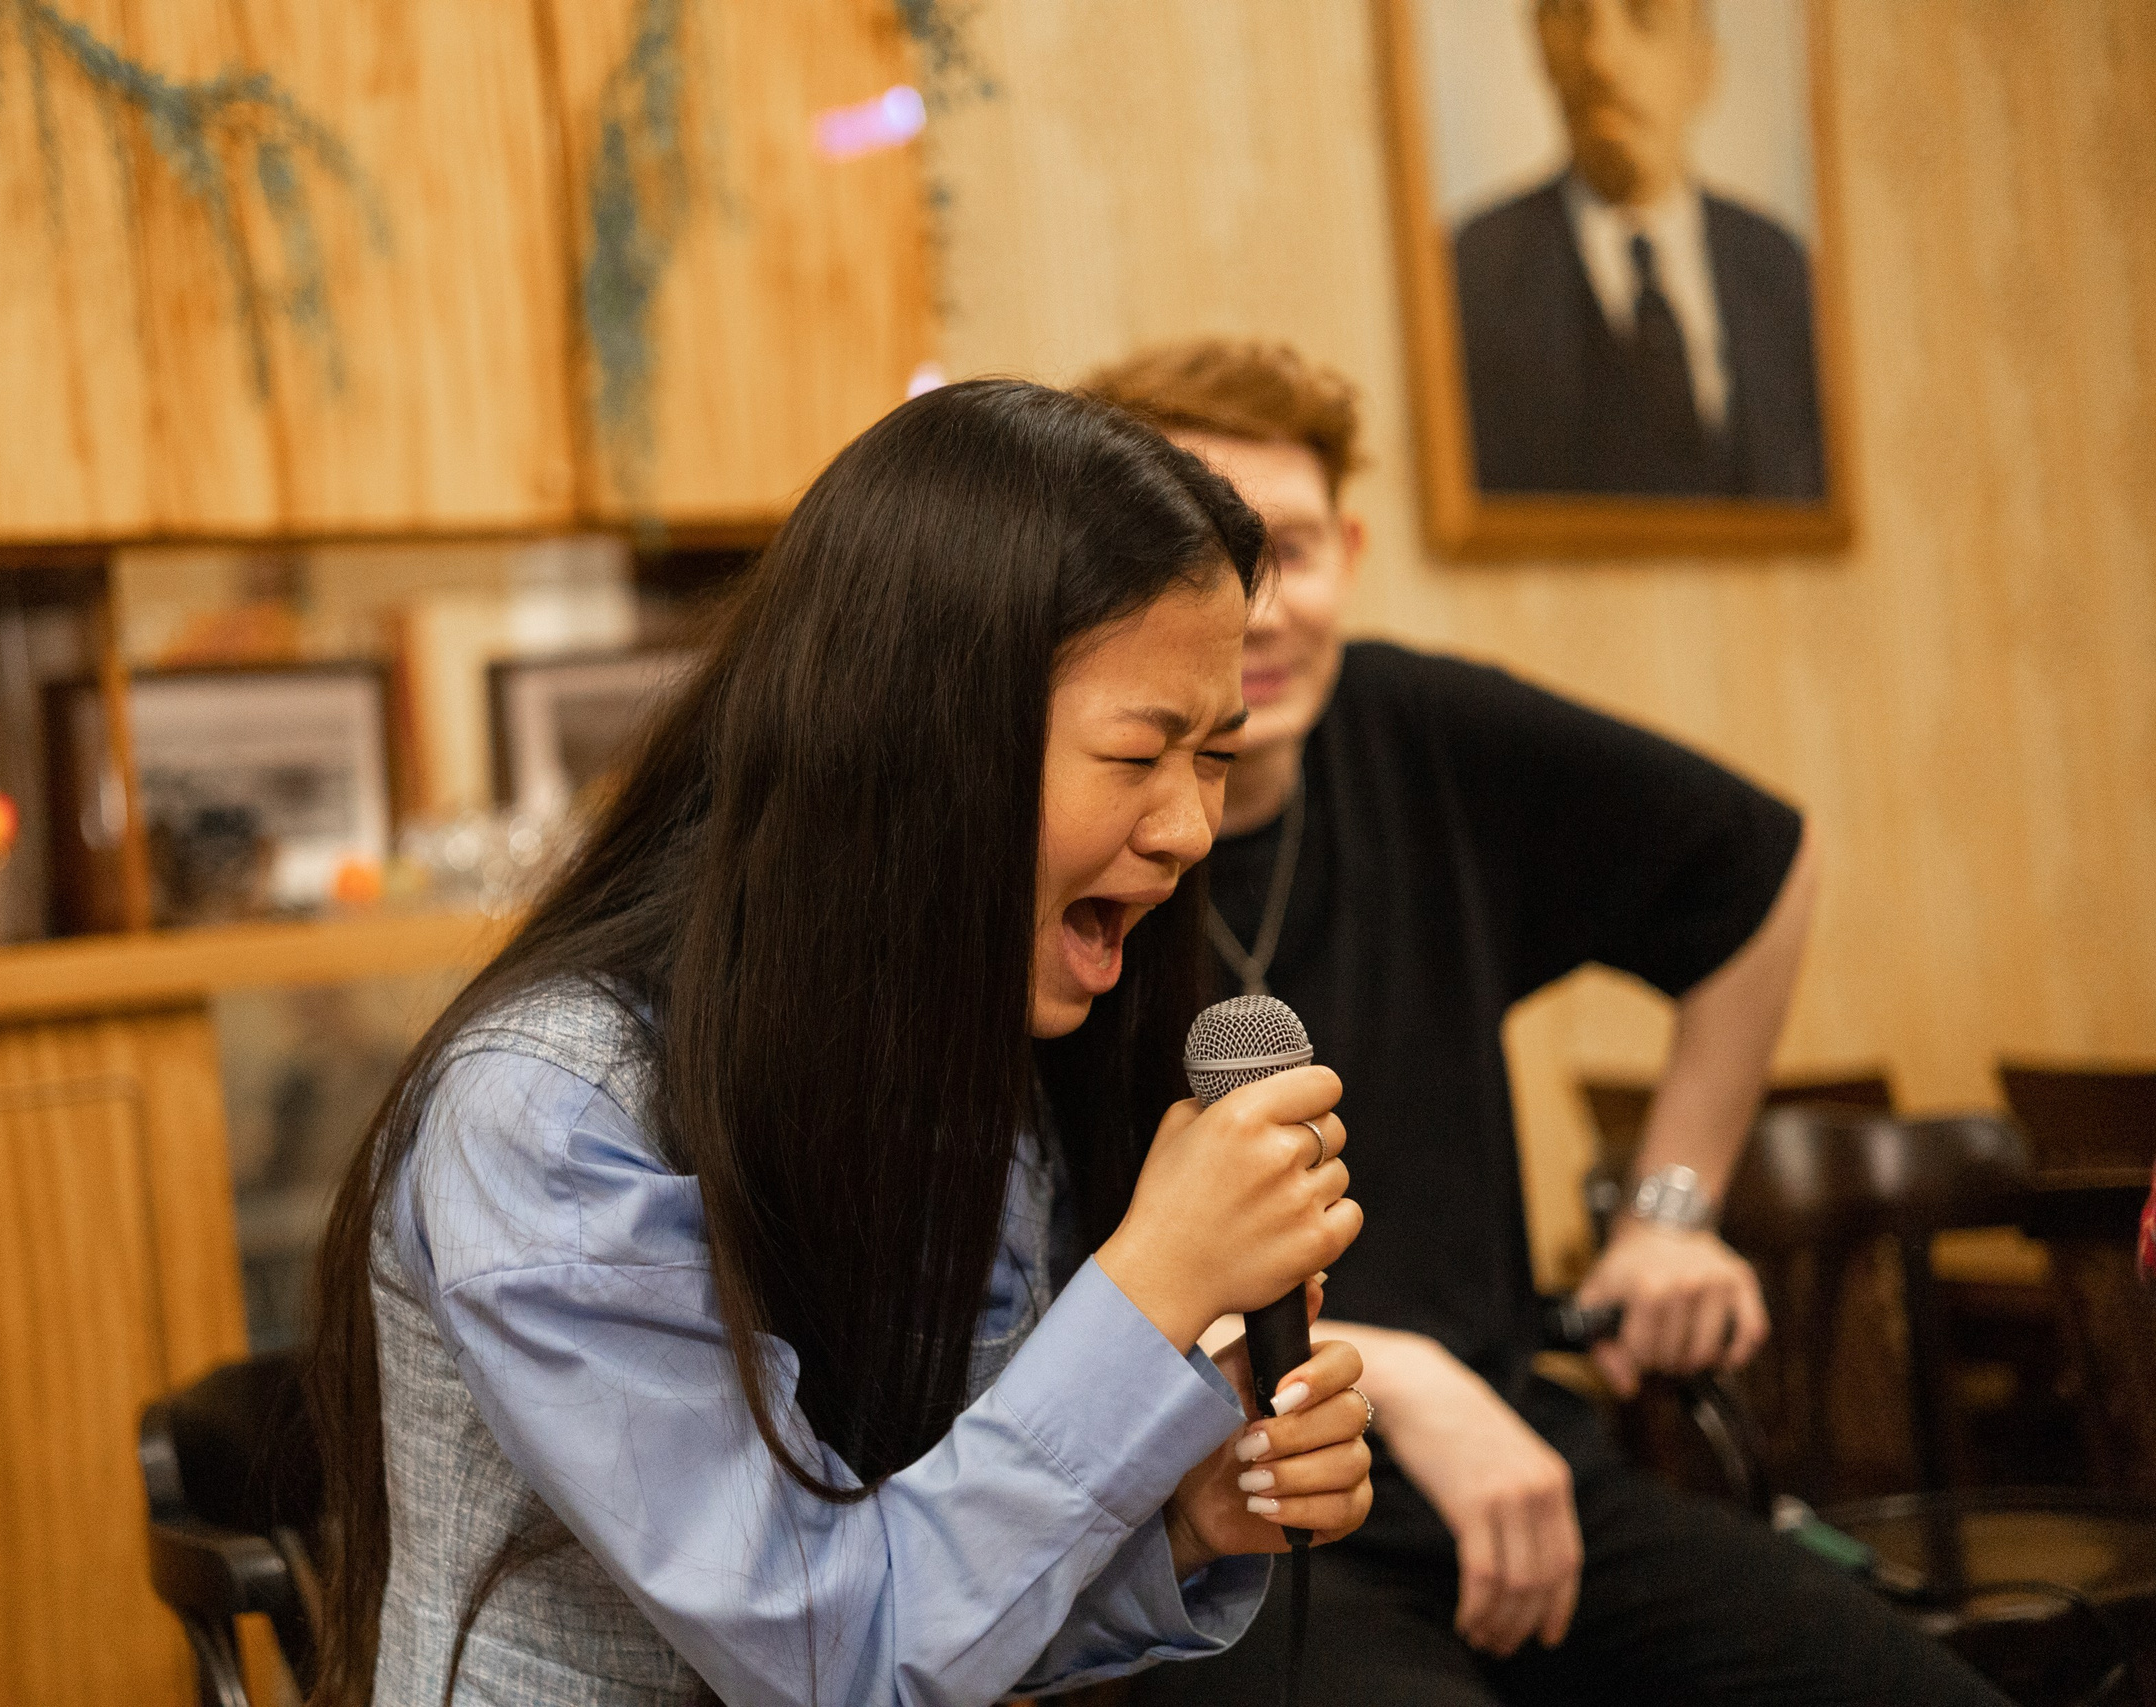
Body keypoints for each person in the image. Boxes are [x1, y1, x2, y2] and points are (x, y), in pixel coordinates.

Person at [301, 379, 1379, 1707]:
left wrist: (1183, 1523)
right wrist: (1156, 1279)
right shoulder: (548, 1113)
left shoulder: (972, 1067)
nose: (1190, 829)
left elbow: (941, 1600)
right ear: (919, 742)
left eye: (1213, 756)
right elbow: (830, 1651)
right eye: (1136, 756)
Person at [1087, 339, 2009, 1706]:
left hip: (1521, 1461)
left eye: (1291, 549)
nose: (1260, 609)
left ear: (1350, 550)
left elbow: (1762, 865)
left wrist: (1671, 1209)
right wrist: (1394, 1377)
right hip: (1231, 1513)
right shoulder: (1066, 836)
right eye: (1209, 558)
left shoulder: (1426, 732)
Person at [1454, 0, 1827, 499]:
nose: (1601, 58)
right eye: (1574, 17)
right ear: (1543, 48)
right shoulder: (1472, 275)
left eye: (1645, 18)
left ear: (1701, 66)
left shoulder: (1782, 272)